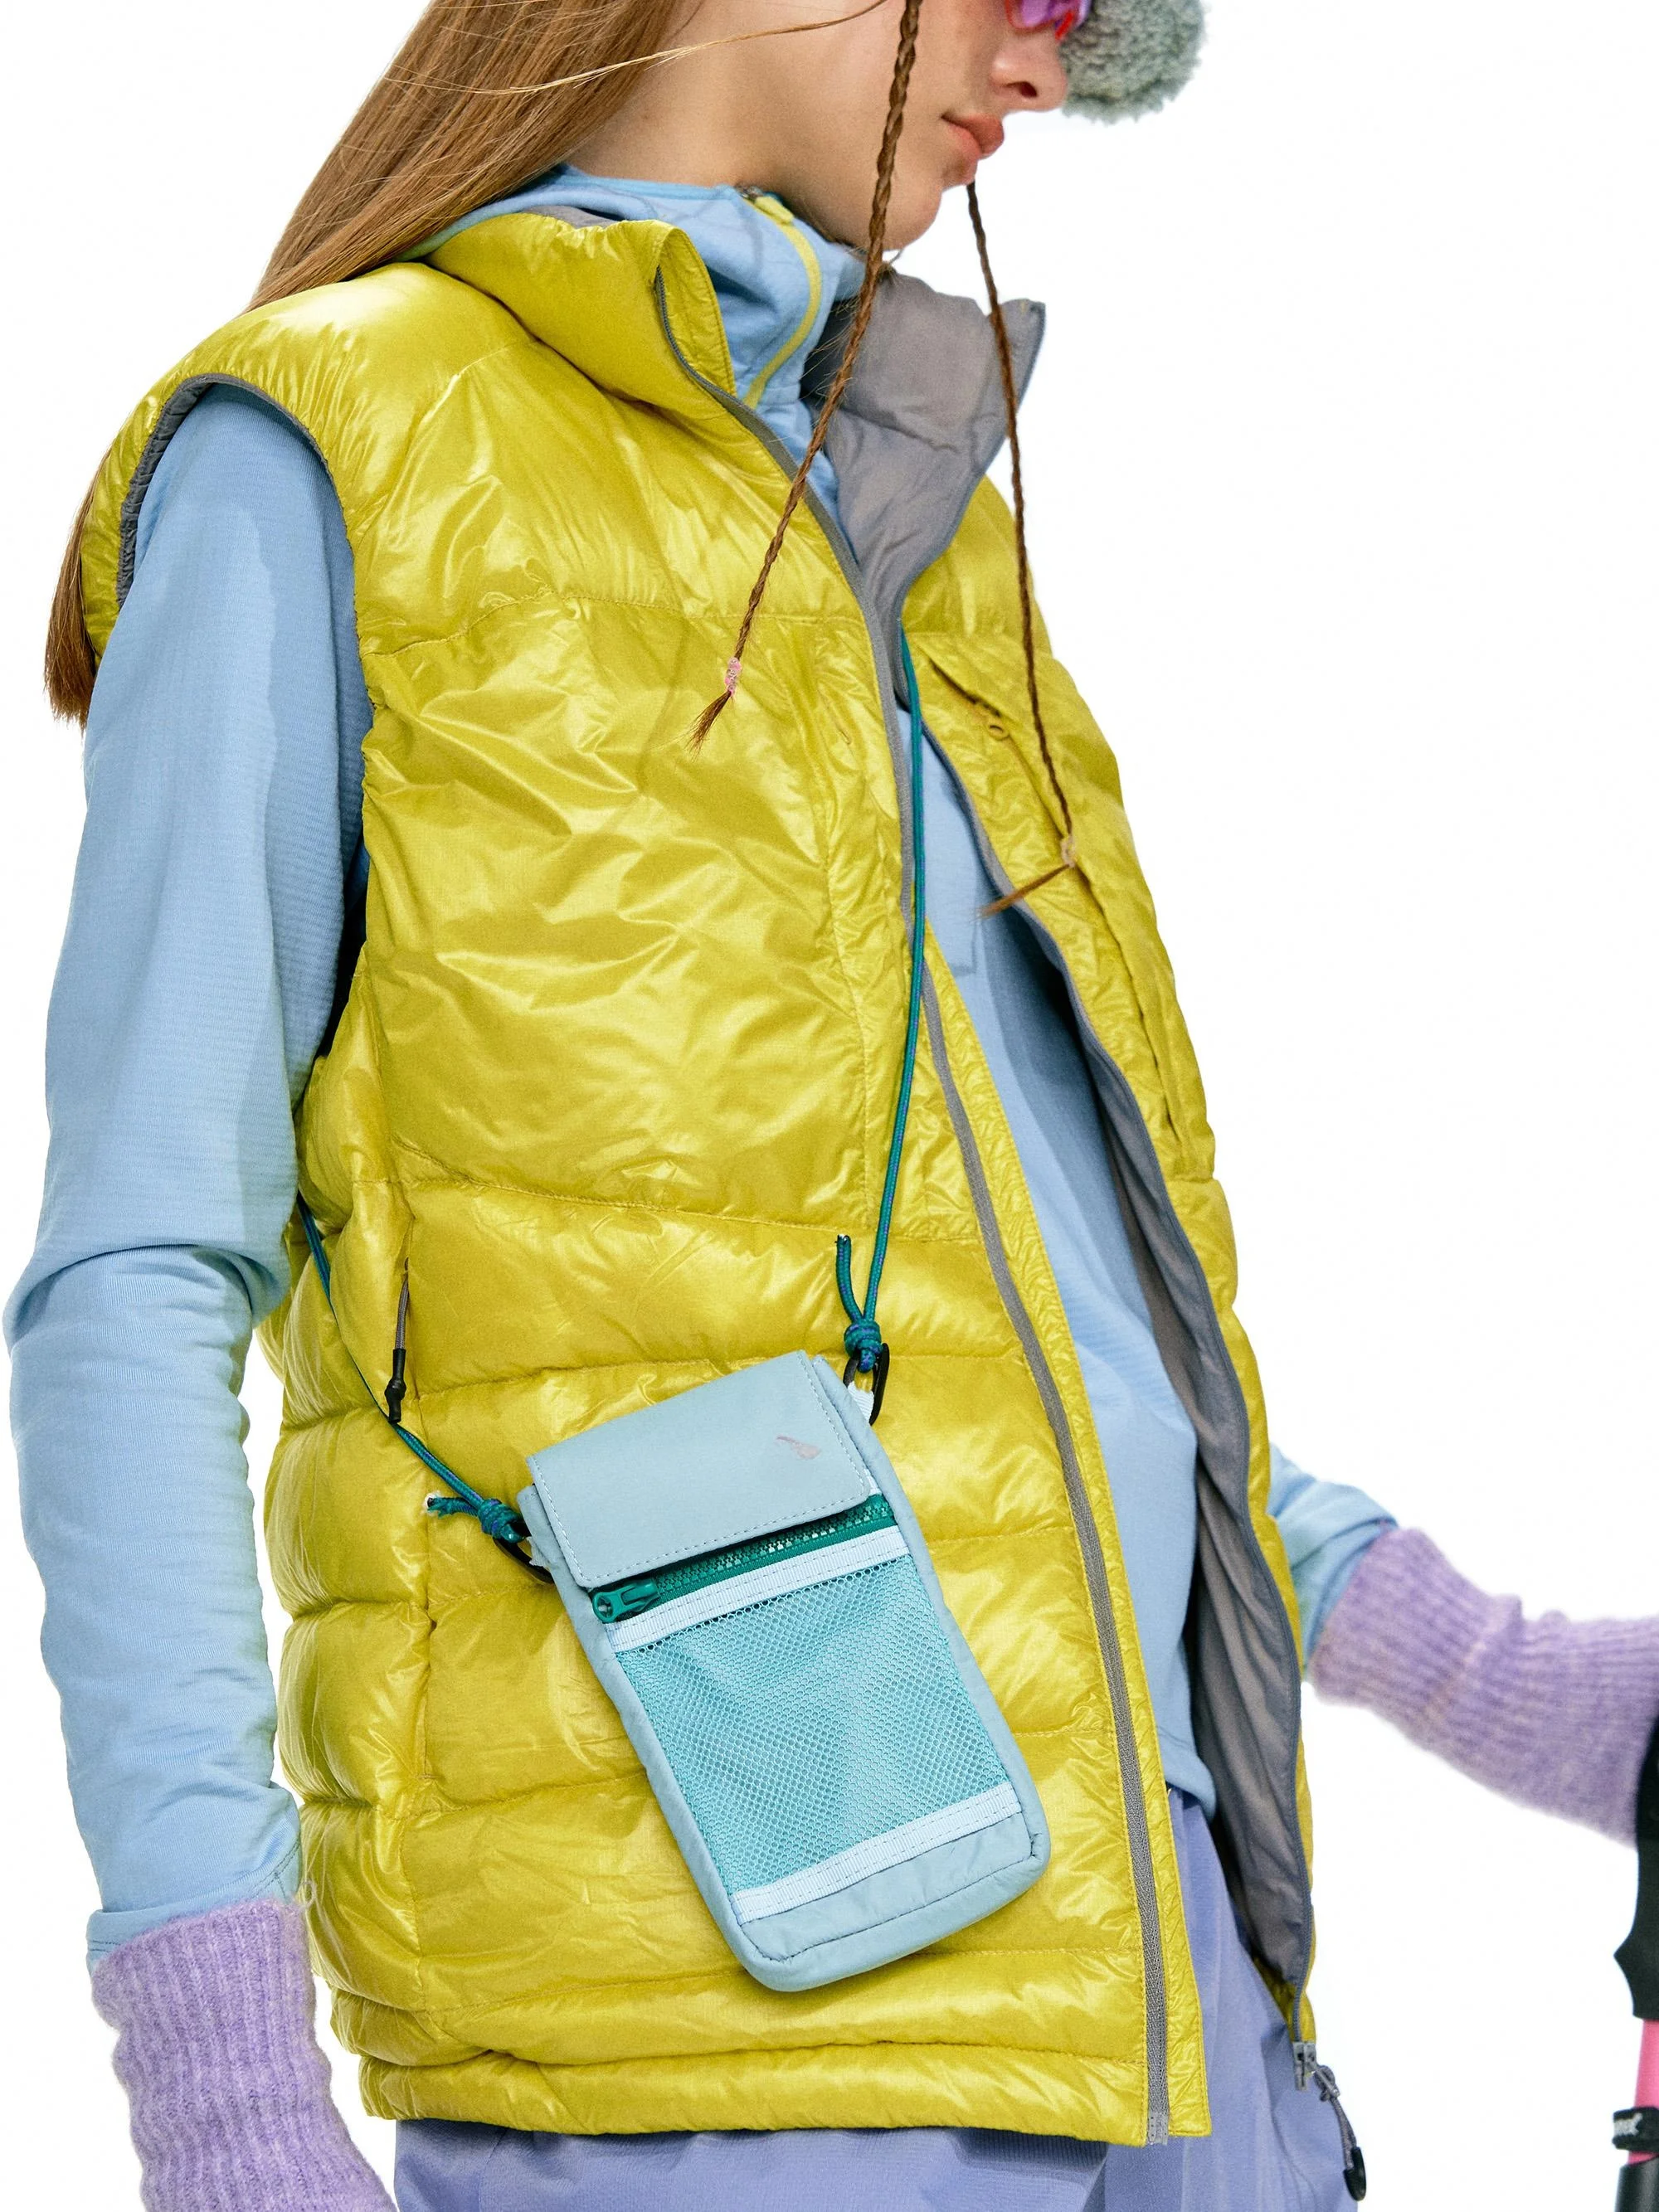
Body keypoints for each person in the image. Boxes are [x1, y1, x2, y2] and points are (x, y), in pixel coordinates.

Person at [13, 0, 1659, 2206]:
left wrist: (1507, 1680)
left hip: (1179, 2022)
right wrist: (224, 2102)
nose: (1051, 73)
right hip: (726, 2083)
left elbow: (1051, 1334)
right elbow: (133, 1287)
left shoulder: (907, 497)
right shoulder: (329, 452)